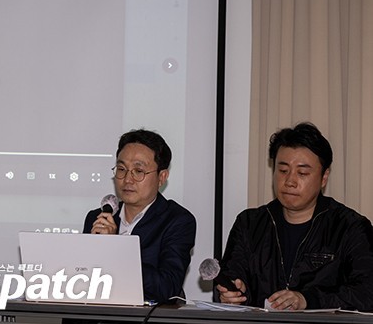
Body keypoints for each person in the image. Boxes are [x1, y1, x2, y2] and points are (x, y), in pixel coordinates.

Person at [216, 122, 373, 311]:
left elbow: (367, 293)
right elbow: (232, 278)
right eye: (283, 171)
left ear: (324, 177)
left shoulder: (350, 227)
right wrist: (232, 294)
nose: (290, 181)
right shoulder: (249, 224)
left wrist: (308, 300)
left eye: (302, 173)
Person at [83, 129, 196, 303]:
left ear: (162, 177)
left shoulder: (178, 221)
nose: (128, 179)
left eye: (138, 171)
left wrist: (114, 247)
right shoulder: (98, 218)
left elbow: (167, 287)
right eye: (121, 169)